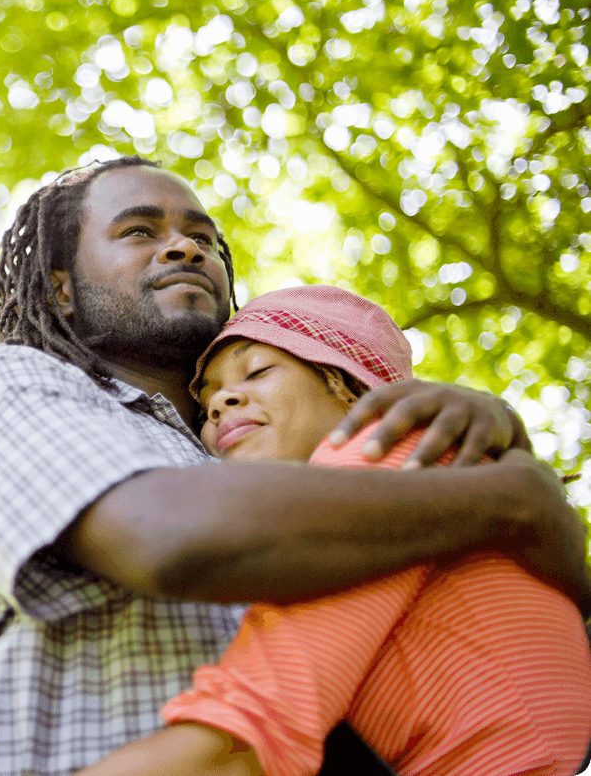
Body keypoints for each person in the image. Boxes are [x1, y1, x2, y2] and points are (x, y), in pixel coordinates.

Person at [0, 155, 591, 775]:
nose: (184, 247)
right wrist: (505, 499)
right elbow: (170, 541)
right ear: (61, 290)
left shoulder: (284, 466)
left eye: (203, 239)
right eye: (139, 232)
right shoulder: (11, 384)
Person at [76, 285, 591, 776]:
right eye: (207, 399)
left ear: (346, 385)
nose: (220, 404)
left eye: (256, 371)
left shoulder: (389, 448)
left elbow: (246, 741)